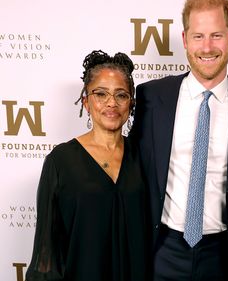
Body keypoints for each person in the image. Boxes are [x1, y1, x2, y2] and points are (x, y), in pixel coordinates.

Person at [130, 0, 228, 281]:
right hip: (161, 250)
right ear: (184, 39)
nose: (207, 47)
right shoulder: (150, 98)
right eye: (198, 36)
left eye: (216, 35)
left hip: (224, 255)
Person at [26, 50, 147, 281]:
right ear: (86, 102)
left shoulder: (145, 156)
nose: (111, 103)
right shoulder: (60, 161)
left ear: (131, 104)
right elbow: (46, 248)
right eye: (101, 94)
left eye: (121, 95)